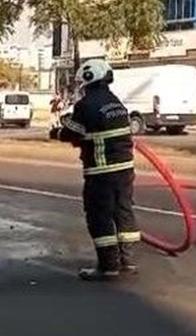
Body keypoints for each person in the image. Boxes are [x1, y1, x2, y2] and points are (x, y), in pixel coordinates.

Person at [55, 59, 140, 280]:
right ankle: (128, 261)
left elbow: (71, 134)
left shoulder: (85, 105)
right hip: (125, 170)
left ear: (89, 78)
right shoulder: (117, 103)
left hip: (101, 171)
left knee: (99, 215)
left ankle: (108, 266)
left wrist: (55, 133)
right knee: (123, 211)